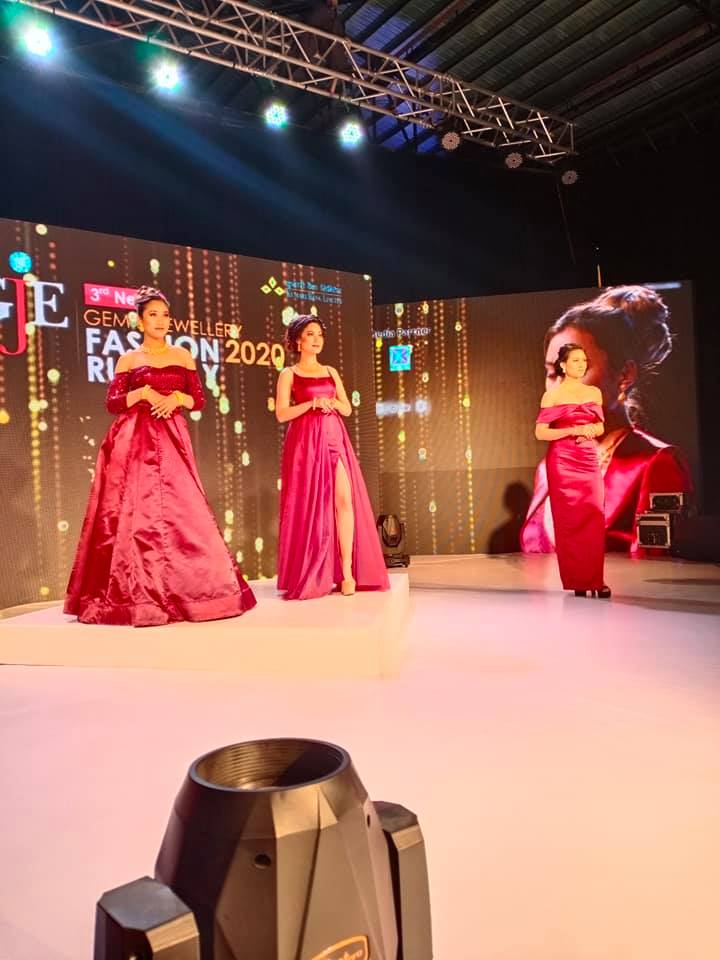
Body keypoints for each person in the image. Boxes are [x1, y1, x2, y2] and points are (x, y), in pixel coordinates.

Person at [64, 286, 257, 626]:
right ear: (139, 321)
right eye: (153, 315)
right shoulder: (128, 359)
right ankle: (138, 596)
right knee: (136, 516)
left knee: (185, 512)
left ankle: (193, 593)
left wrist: (175, 399)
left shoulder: (182, 355)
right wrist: (143, 392)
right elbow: (112, 403)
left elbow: (198, 399)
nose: (161, 321)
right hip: (134, 439)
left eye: (165, 315)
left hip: (171, 437)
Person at [522, 288, 693, 555]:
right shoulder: (547, 469)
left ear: (624, 375)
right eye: (553, 373)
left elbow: (660, 572)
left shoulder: (655, 464)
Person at [275, 314, 389, 600]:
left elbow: (347, 408)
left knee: (344, 499)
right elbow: (282, 414)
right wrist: (311, 404)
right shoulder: (289, 374)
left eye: (320, 335)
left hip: (333, 436)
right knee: (311, 506)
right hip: (305, 442)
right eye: (310, 334)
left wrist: (333, 403)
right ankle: (315, 570)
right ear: (298, 340)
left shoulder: (330, 371)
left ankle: (348, 572)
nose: (316, 340)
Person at [534, 343, 609, 597]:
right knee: (570, 522)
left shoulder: (594, 392)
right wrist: (573, 430)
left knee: (594, 515)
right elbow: (541, 433)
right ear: (563, 365)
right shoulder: (552, 395)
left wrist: (591, 430)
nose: (581, 364)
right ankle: (578, 580)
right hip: (563, 461)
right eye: (575, 360)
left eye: (584, 360)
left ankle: (595, 580)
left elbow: (600, 427)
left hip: (587, 459)